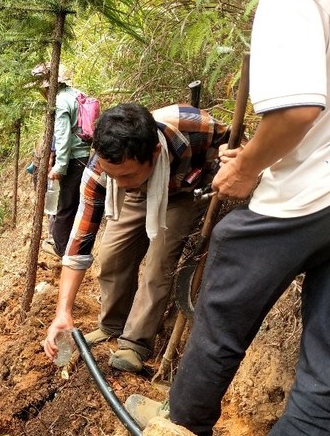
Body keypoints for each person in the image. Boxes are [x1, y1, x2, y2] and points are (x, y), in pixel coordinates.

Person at [127, 0, 330, 436]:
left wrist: (246, 172)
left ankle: (180, 430)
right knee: (327, 359)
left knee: (221, 303)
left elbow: (298, 109)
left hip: (308, 191)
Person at [43, 102, 230, 372]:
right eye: (112, 174)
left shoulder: (193, 127)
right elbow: (79, 243)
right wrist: (64, 312)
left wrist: (232, 158)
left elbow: (235, 140)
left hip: (181, 192)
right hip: (135, 195)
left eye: (126, 173)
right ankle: (111, 326)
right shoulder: (102, 175)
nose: (118, 181)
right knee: (112, 256)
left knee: (158, 263)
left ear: (154, 153)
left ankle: (135, 344)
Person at [30, 64, 92, 258]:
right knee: (71, 203)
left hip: (72, 160)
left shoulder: (60, 102)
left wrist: (60, 165)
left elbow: (63, 136)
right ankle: (69, 246)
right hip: (82, 156)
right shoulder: (75, 94)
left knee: (64, 206)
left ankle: (62, 250)